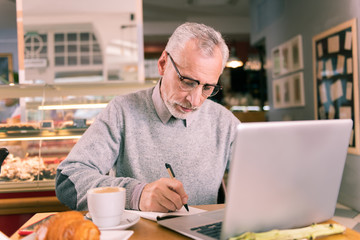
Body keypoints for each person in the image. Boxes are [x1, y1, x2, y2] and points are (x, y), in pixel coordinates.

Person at [55, 22, 240, 212]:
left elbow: (263, 180)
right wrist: (136, 195)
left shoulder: (225, 123)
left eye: (207, 88)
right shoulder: (122, 111)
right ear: (162, 64)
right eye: (187, 82)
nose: (195, 101)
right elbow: (68, 180)